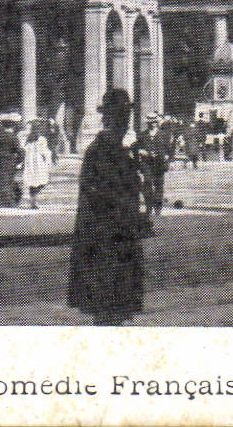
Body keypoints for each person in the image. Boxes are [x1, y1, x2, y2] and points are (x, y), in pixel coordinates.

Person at [68, 87, 148, 325]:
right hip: (108, 237)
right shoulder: (105, 150)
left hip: (111, 235)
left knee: (112, 306)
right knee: (109, 304)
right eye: (123, 116)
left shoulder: (113, 149)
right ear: (112, 118)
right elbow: (103, 194)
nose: (126, 122)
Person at [135, 115, 169, 217]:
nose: (153, 123)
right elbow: (137, 147)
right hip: (147, 163)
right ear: (148, 123)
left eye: (154, 121)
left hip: (159, 163)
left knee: (159, 185)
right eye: (151, 121)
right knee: (147, 183)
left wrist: (166, 157)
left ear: (157, 122)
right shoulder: (142, 135)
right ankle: (149, 207)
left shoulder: (164, 134)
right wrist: (141, 151)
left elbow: (168, 149)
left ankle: (158, 207)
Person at [0, 115, 23, 207]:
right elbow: (19, 151)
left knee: (2, 180)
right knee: (9, 180)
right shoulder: (13, 137)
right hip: (10, 161)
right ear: (12, 126)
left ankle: (0, 200)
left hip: (0, 161)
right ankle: (9, 201)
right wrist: (18, 161)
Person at [22, 123, 54, 209]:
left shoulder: (28, 139)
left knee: (32, 181)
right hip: (38, 161)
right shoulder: (42, 139)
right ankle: (34, 200)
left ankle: (33, 199)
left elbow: (24, 150)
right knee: (42, 180)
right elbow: (45, 151)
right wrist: (48, 161)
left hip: (30, 162)